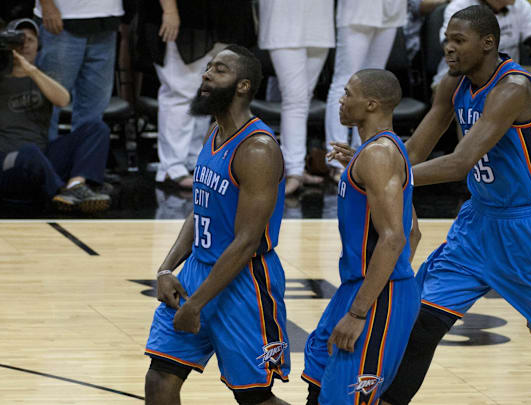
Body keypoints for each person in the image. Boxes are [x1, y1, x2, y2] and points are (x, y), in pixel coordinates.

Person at [333, 6, 531, 405]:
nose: (448, 48)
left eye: (458, 40)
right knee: (420, 325)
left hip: (528, 230)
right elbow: (413, 150)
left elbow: (460, 162)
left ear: (488, 43)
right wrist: (373, 159)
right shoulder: (453, 85)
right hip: (477, 225)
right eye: (446, 39)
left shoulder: (514, 88)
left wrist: (386, 177)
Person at [143, 45, 290, 405]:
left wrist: (197, 304)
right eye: (207, 67)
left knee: (254, 399)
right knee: (160, 379)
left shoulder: (257, 149)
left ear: (242, 86)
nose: (206, 75)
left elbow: (247, 240)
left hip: (244, 283)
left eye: (218, 70)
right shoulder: (214, 131)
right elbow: (199, 210)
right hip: (197, 271)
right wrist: (165, 269)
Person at [302, 69, 421, 405]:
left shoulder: (378, 157)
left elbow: (396, 237)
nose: (341, 100)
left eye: (347, 93)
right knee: (317, 380)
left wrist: (360, 312)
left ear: (370, 104)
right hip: (360, 286)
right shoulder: (375, 154)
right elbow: (413, 231)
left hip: (376, 295)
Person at [137, 0, 255, 189]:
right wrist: (169, 10)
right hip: (185, 16)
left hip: (224, 17)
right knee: (179, 92)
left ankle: (195, 161)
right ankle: (171, 167)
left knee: (208, 94)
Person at [0, 18, 111, 213]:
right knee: (29, 152)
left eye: (31, 40)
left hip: (43, 158)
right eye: (19, 40)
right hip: (9, 162)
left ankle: (75, 186)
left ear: (39, 45)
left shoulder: (42, 77)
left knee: (96, 128)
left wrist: (31, 70)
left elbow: (63, 100)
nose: (25, 44)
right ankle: (62, 191)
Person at [325, 0, 407, 183]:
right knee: (345, 81)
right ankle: (337, 158)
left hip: (391, 9)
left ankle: (363, 150)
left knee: (375, 84)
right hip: (358, 9)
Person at [258, 0, 334, 195]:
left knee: (303, 99)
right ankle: (292, 170)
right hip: (283, 23)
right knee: (295, 99)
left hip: (319, 23)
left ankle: (297, 166)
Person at [433, 0, 531, 117]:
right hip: (463, 74)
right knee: (470, 89)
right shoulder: (460, 6)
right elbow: (452, 50)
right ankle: (475, 136)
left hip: (506, 75)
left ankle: (529, 129)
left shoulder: (521, 5)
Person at [33, 0, 123, 140]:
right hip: (61, 21)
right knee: (47, 106)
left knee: (94, 110)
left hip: (107, 21)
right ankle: (43, 160)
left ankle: (85, 160)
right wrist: (47, 5)